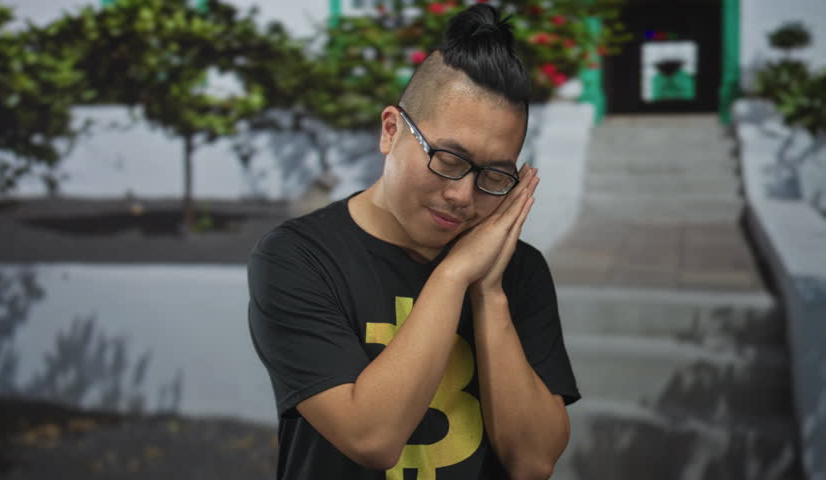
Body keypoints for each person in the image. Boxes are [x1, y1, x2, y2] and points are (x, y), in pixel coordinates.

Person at [247, 4, 580, 479]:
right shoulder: (299, 257)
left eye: (493, 176)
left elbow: (533, 462)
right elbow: (371, 438)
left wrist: (489, 293)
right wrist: (453, 274)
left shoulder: (518, 269)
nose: (462, 196)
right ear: (391, 131)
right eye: (448, 160)